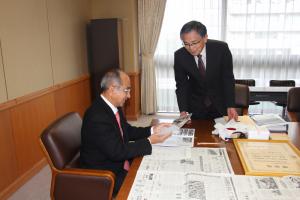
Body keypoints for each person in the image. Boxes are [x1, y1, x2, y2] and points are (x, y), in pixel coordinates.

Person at [80, 68, 171, 195]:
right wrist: (149, 141)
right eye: (126, 90)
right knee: (151, 188)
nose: (129, 96)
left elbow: (127, 130)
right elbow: (117, 152)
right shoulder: (97, 116)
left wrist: (152, 130)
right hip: (106, 173)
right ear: (112, 89)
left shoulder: (112, 107)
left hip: (117, 161)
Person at [174, 20, 238, 120]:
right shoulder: (179, 56)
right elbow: (182, 84)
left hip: (220, 102)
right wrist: (183, 110)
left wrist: (231, 105)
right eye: (186, 44)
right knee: (198, 134)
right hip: (195, 103)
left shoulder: (221, 49)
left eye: (194, 43)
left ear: (205, 38)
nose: (191, 48)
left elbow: (228, 78)